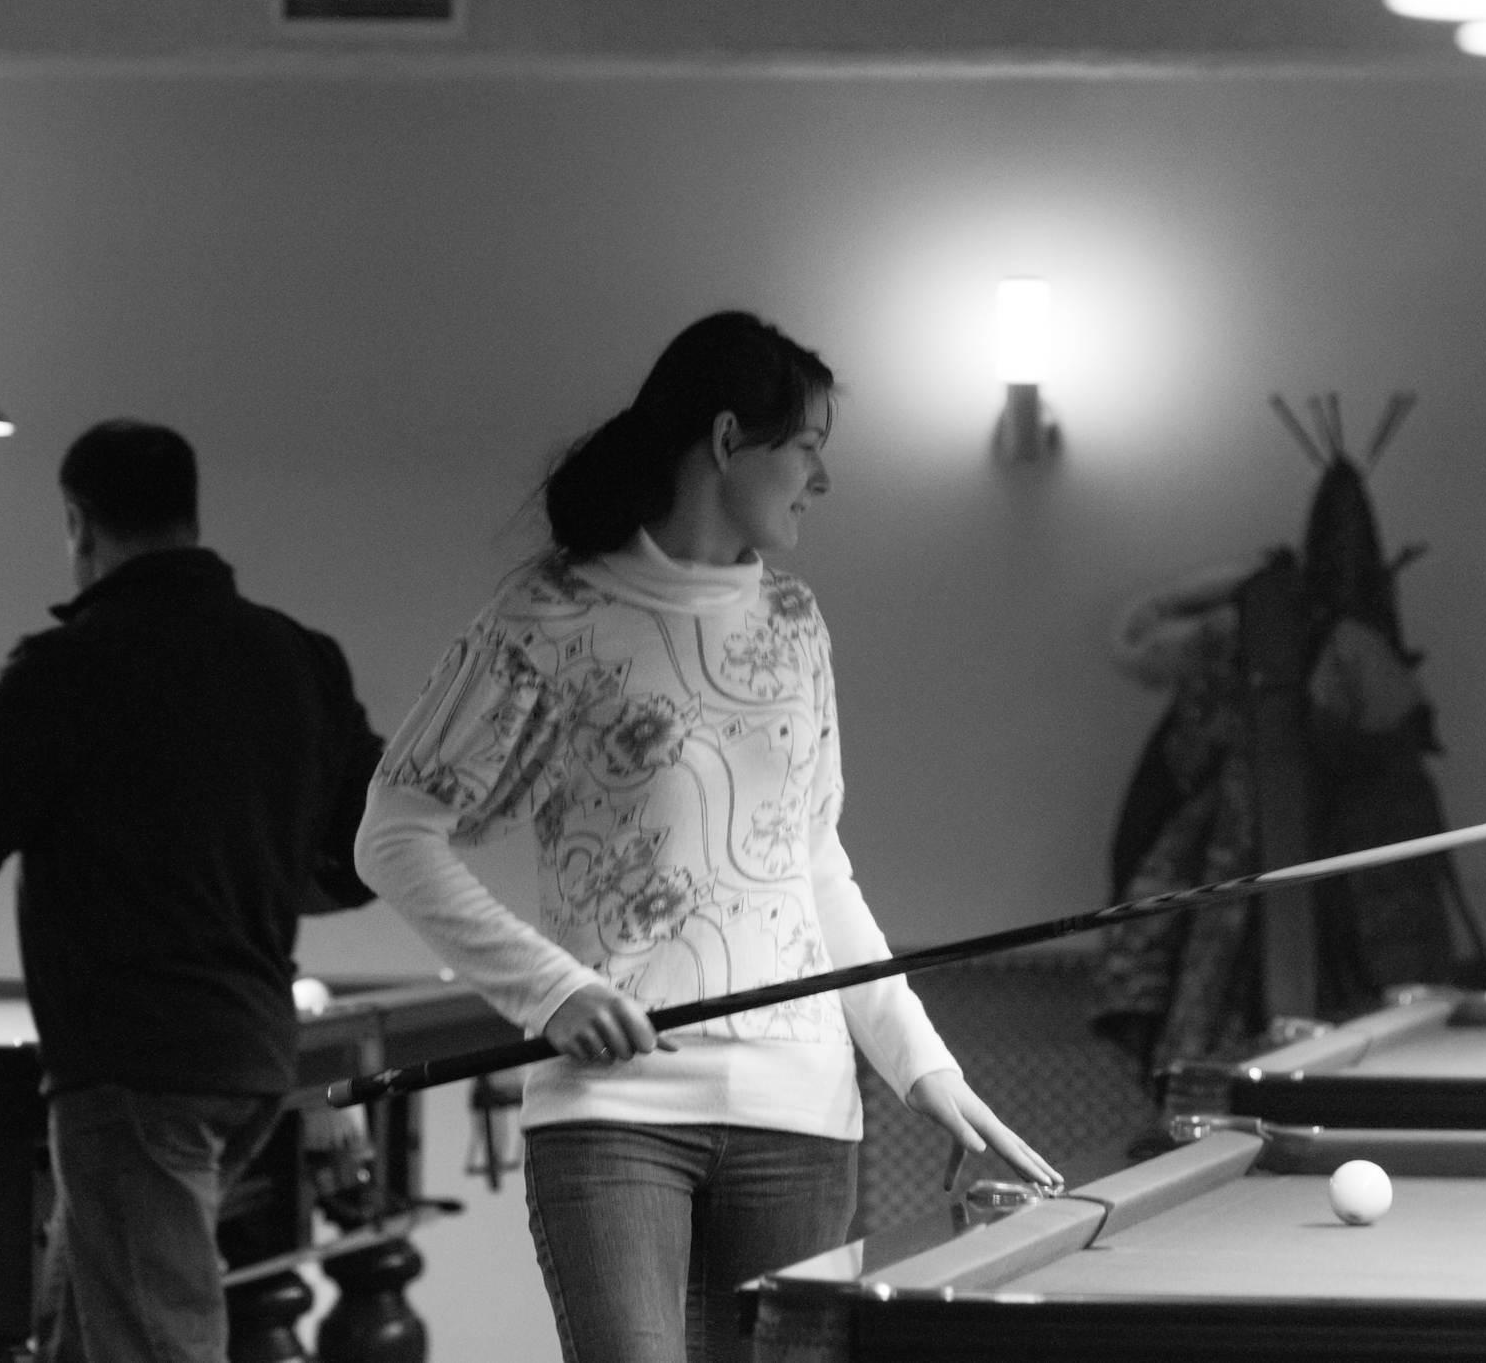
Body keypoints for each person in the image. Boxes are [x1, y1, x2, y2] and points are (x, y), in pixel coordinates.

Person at [354, 312, 1060, 1363]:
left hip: (802, 1110)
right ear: (730, 440)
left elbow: (813, 863)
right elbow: (394, 834)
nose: (821, 479)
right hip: (612, 1110)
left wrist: (925, 1066)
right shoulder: (548, 617)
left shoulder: (793, 621)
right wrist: (552, 992)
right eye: (807, 446)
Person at [0, 419, 384, 1363]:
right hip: (252, 1058)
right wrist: (245, 876)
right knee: (84, 1336)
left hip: (132, 1073)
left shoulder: (66, 665)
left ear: (77, 523)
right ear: (188, 514)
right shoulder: (299, 656)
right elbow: (369, 849)